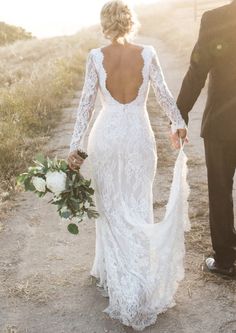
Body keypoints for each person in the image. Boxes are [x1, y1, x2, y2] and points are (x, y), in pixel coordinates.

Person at [68, 1, 188, 330]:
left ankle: (118, 277)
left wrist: (75, 147)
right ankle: (133, 272)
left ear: (105, 22)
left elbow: (85, 105)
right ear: (131, 21)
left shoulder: (95, 56)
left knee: (110, 207)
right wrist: (178, 123)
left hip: (105, 137)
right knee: (136, 204)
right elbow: (163, 95)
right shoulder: (148, 53)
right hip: (138, 136)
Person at [175, 0, 236, 278]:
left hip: (222, 125)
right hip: (221, 125)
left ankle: (225, 261)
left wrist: (180, 112)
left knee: (220, 191)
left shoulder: (214, 18)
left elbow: (197, 70)